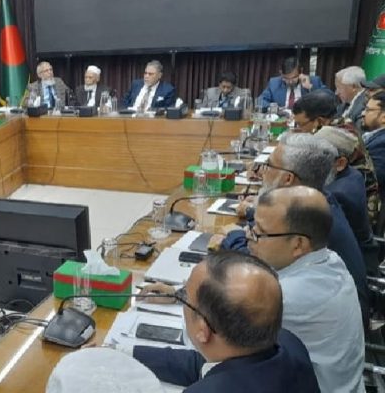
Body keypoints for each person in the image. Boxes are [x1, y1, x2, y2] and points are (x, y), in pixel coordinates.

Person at [143, 188, 364, 393]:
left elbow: (206, 343)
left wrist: (190, 298)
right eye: (252, 227)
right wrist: (182, 294)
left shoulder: (284, 295)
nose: (248, 236)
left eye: (260, 233)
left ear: (298, 244)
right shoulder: (328, 260)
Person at [217, 133, 368, 326]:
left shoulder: (313, 225)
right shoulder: (320, 203)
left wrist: (233, 238)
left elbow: (258, 267)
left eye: (269, 165)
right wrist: (253, 214)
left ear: (288, 178)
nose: (262, 172)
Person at [134, 251, 320, 393]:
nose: (180, 298)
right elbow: (200, 365)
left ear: (203, 330)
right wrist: (127, 354)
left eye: (184, 297)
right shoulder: (288, 343)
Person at [291, 89, 380, 225]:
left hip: (356, 213)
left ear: (319, 121)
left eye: (301, 124)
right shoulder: (341, 122)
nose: (299, 129)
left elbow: (304, 171)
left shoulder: (332, 138)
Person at [315, 126, 380, 273]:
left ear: (340, 163)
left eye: (316, 158)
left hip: (352, 269)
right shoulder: (352, 174)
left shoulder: (336, 196)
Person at [259, 57, 327, 110]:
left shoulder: (314, 81)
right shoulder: (274, 83)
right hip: (282, 120)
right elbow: (260, 101)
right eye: (286, 78)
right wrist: (276, 109)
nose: (290, 82)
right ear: (281, 73)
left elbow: (329, 99)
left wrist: (310, 87)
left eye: (294, 78)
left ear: (301, 71)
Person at [363, 91, 385, 205]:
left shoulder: (381, 143)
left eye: (368, 110)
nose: (363, 113)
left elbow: (371, 179)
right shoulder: (376, 136)